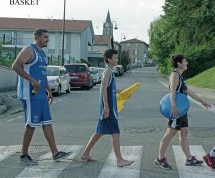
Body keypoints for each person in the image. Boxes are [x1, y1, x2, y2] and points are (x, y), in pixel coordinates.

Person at [11, 28, 72, 165]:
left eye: (48, 37)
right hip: (29, 94)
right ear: (37, 37)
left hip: (40, 95)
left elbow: (43, 75)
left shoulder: (43, 54)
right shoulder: (29, 50)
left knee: (47, 122)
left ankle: (55, 153)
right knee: (31, 124)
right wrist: (32, 80)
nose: (47, 39)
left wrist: (49, 91)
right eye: (45, 37)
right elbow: (15, 66)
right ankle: (23, 155)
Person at [155, 54, 211, 170]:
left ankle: (189, 158)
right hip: (176, 110)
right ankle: (160, 158)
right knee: (170, 133)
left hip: (182, 110)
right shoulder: (175, 75)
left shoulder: (180, 76)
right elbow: (172, 91)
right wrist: (174, 106)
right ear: (179, 63)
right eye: (185, 61)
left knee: (184, 132)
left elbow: (189, 92)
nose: (187, 63)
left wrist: (202, 101)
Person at [81, 49, 134, 167]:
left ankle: (85, 153)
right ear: (109, 59)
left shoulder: (110, 72)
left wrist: (124, 92)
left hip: (108, 108)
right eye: (115, 57)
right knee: (115, 132)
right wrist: (106, 107)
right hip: (108, 109)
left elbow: (111, 90)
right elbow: (103, 89)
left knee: (99, 132)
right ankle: (119, 160)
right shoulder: (107, 72)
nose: (117, 59)